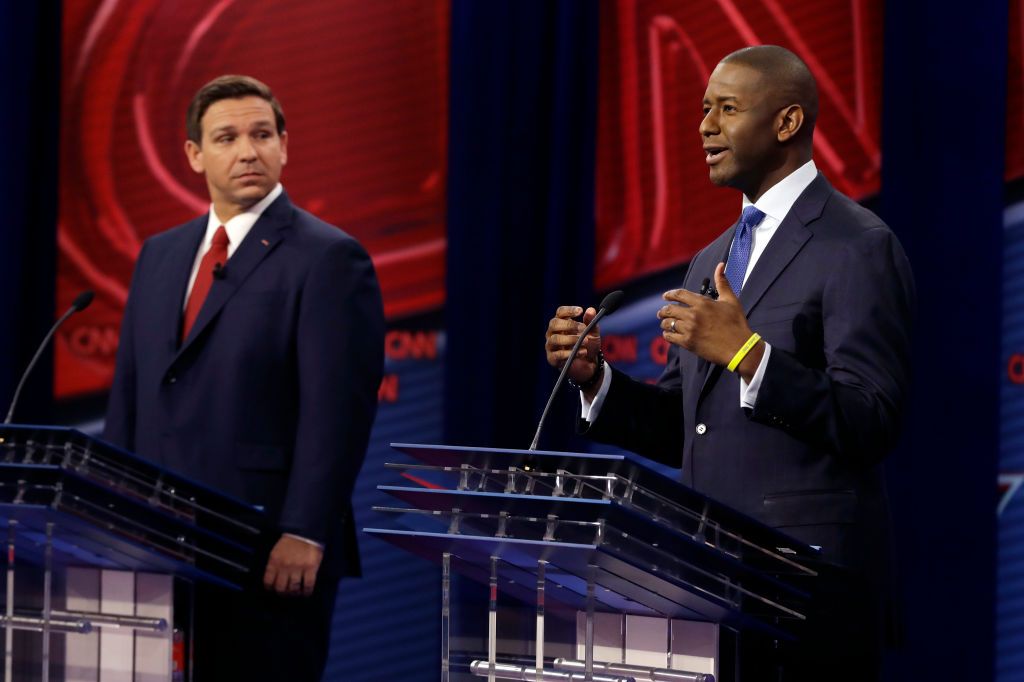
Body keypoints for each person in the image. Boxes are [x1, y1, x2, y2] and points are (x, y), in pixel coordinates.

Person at [545, 46, 914, 682]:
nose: (704, 126)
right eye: (702, 110)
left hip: (809, 590)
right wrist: (596, 381)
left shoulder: (857, 245)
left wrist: (748, 354)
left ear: (787, 122)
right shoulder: (710, 258)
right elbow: (682, 426)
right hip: (708, 578)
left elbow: (871, 419)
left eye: (726, 109)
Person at [104, 75, 385, 681]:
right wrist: (113, 518)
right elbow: (130, 396)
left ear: (285, 145)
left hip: (265, 550)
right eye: (226, 137)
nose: (247, 151)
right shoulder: (159, 254)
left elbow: (338, 410)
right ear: (194, 154)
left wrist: (305, 529)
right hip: (158, 543)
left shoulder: (328, 257)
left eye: (262, 134)